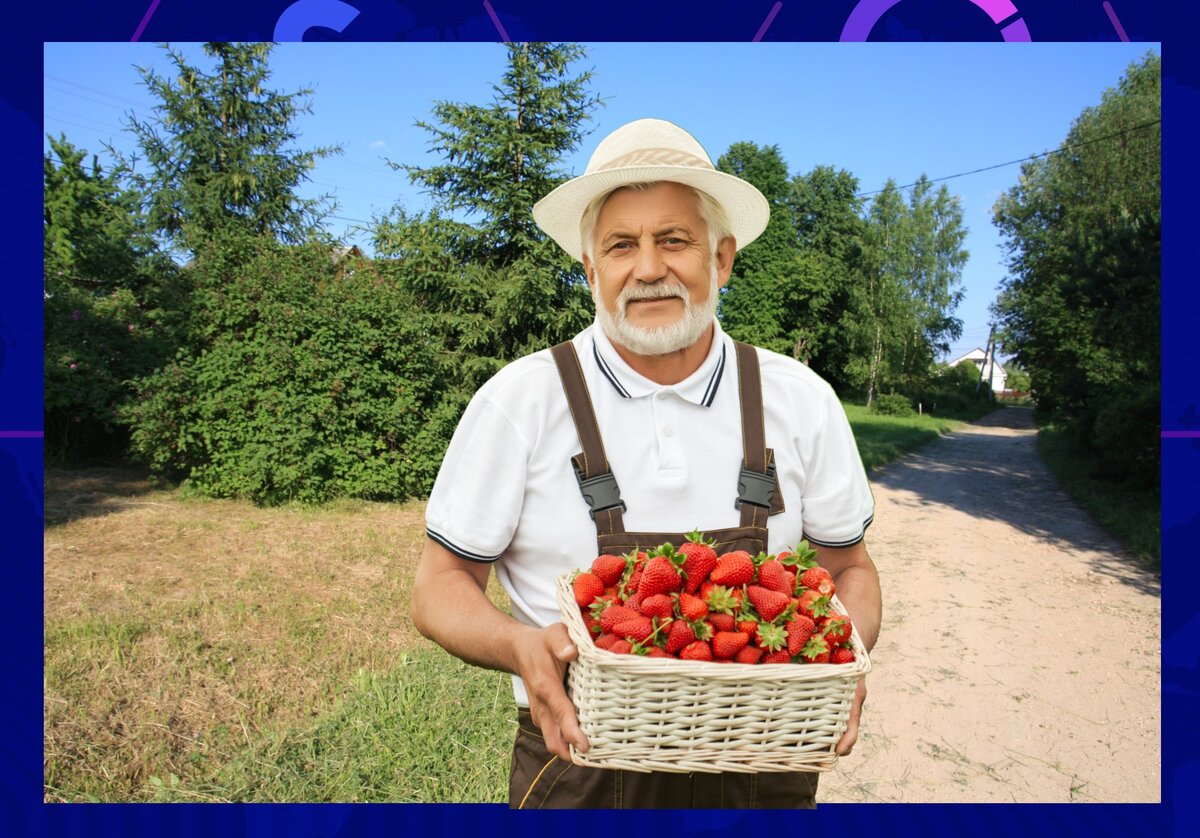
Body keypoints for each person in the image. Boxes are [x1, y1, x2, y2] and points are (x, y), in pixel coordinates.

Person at [411, 118, 881, 809]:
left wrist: (843, 657)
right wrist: (519, 646)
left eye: (674, 240)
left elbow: (850, 568)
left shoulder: (801, 401)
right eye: (622, 244)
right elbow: (438, 586)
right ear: (590, 268)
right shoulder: (520, 402)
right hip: (581, 763)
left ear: (721, 259)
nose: (650, 267)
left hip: (763, 764)